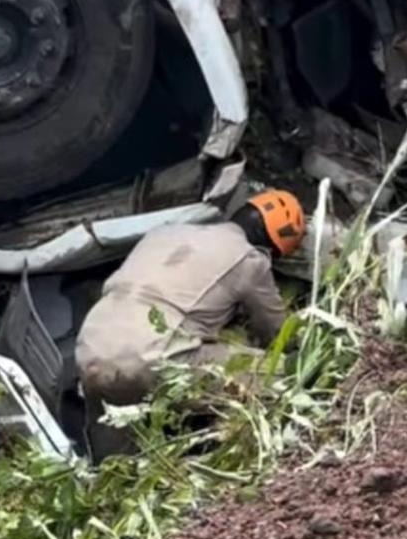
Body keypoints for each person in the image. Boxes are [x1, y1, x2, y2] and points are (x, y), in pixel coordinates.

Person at [75, 189, 307, 458]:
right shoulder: (249, 259)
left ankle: (108, 482)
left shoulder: (163, 233)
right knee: (282, 374)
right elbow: (279, 334)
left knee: (114, 453)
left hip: (91, 347)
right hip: (154, 354)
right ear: (271, 248)